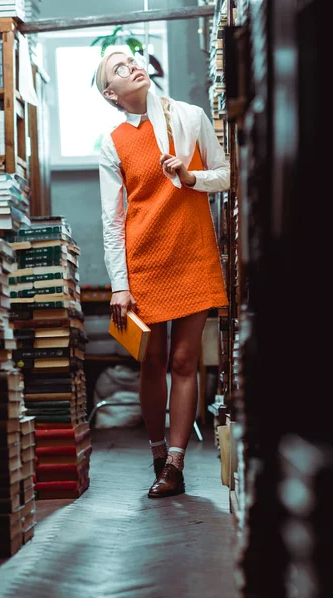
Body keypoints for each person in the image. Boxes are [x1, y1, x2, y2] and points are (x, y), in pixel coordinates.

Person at [96, 51, 229, 498]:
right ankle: (157, 454)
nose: (132, 64)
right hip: (144, 263)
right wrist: (119, 285)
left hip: (192, 254)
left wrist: (192, 179)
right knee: (151, 362)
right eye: (119, 67)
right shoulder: (112, 142)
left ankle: (174, 465)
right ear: (111, 95)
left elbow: (226, 176)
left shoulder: (189, 117)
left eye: (132, 59)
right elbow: (113, 221)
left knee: (183, 362)